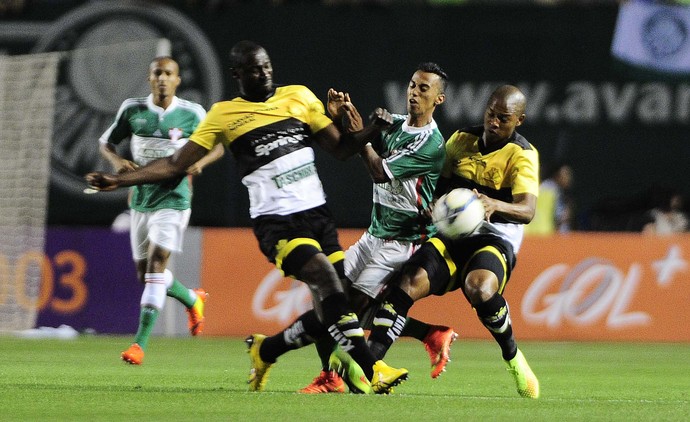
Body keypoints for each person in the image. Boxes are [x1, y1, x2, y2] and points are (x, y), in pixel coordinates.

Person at [86, 41, 408, 394]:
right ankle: (372, 368)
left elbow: (343, 149)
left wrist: (369, 128)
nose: (264, 73)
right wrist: (119, 179)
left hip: (318, 215)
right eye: (255, 69)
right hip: (277, 222)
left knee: (334, 304)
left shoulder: (299, 96)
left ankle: (267, 351)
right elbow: (175, 164)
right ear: (237, 74)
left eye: (267, 66)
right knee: (327, 282)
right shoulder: (224, 114)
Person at [364, 85, 541, 399]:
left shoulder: (523, 154)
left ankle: (513, 357)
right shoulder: (461, 140)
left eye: (504, 118)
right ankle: (368, 369)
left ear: (519, 121)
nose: (495, 122)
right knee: (406, 284)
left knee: (480, 289)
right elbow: (437, 185)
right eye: (491, 114)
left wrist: (495, 205)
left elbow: (527, 210)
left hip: (493, 239)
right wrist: (433, 205)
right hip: (449, 235)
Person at [298, 62, 458, 394]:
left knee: (349, 309)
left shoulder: (431, 144)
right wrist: (344, 115)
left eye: (424, 89)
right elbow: (350, 141)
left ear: (438, 99)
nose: (414, 92)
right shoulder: (397, 124)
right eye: (412, 85)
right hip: (373, 235)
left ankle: (333, 377)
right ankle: (428, 333)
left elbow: (379, 171)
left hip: (402, 243)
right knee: (326, 297)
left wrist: (366, 138)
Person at [98, 56, 225, 365]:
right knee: (146, 276)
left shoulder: (192, 113)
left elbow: (219, 145)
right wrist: (117, 164)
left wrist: (201, 162)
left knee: (156, 264)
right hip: (141, 200)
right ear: (149, 78)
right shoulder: (133, 110)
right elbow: (106, 143)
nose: (163, 78)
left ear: (178, 80)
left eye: (169, 73)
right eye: (158, 73)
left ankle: (139, 345)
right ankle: (193, 299)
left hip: (175, 199)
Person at [525, 162, 574, 235]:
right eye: (565, 174)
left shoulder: (539, 189)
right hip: (547, 233)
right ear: (557, 175)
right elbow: (560, 217)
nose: (568, 178)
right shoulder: (552, 191)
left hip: (531, 233)